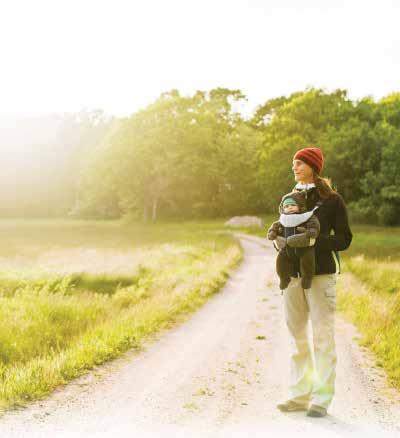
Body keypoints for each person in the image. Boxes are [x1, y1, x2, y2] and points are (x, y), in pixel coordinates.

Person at [274, 147, 353, 418]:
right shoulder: (290, 198)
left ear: (312, 166)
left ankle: (321, 399)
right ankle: (298, 395)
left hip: (321, 276)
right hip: (293, 277)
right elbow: (284, 229)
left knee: (322, 336)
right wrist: (282, 243)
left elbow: (344, 239)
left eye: (299, 163)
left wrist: (313, 242)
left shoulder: (332, 201)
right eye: (293, 163)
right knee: (297, 336)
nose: (294, 167)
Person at [267, 190, 320, 291]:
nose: (289, 207)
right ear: (282, 209)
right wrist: (273, 233)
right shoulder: (282, 220)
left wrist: (312, 231)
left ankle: (307, 279)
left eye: (292, 205)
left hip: (304, 248)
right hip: (286, 250)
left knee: (307, 262)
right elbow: (274, 227)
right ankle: (283, 279)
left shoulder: (307, 217)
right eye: (286, 206)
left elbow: (314, 225)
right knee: (280, 262)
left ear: (300, 205)